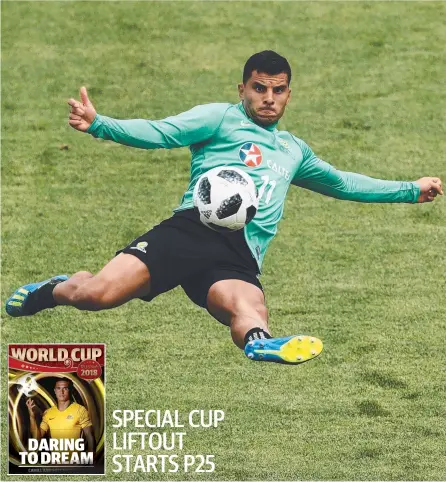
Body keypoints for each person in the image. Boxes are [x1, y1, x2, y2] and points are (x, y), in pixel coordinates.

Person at [6, 51, 442, 365]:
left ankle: (259, 342)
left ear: (289, 94)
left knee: (248, 308)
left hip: (238, 254)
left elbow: (344, 182)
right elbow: (161, 132)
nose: (268, 97)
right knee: (96, 295)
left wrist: (409, 189)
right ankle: (54, 289)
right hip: (187, 232)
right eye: (259, 88)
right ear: (243, 89)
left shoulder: (294, 151)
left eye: (278, 90)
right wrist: (100, 124)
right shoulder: (218, 118)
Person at [26, 378, 96, 454]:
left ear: (70, 390)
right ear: (55, 391)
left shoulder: (80, 410)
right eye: (58, 388)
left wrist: (91, 457)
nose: (61, 392)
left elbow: (90, 435)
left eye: (65, 388)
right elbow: (37, 439)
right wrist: (32, 416)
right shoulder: (48, 413)